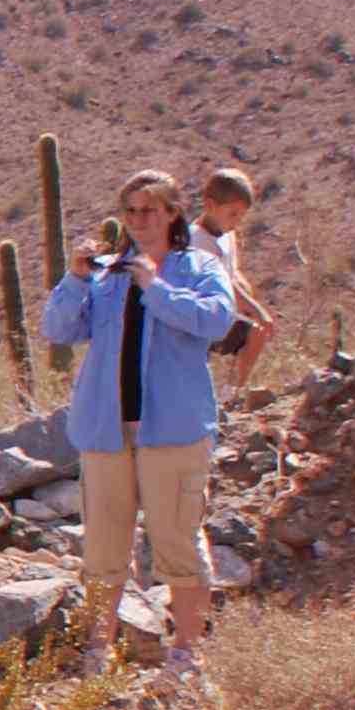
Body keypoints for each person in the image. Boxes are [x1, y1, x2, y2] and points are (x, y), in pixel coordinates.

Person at [36, 170, 239, 680]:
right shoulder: (107, 275)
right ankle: (98, 651)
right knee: (104, 545)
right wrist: (75, 278)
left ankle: (185, 654)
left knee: (177, 540)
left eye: (148, 209)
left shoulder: (199, 267)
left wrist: (156, 286)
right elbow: (57, 328)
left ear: (172, 213)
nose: (138, 219)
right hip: (106, 429)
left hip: (173, 428)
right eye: (129, 210)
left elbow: (217, 320)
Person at [196, 166, 277, 390]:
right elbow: (223, 282)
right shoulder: (198, 241)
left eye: (240, 215)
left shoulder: (227, 235)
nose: (236, 221)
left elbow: (232, 272)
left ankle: (233, 392)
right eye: (232, 214)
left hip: (223, 311)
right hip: (198, 317)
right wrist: (255, 309)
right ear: (210, 205)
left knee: (256, 331)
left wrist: (247, 296)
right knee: (257, 325)